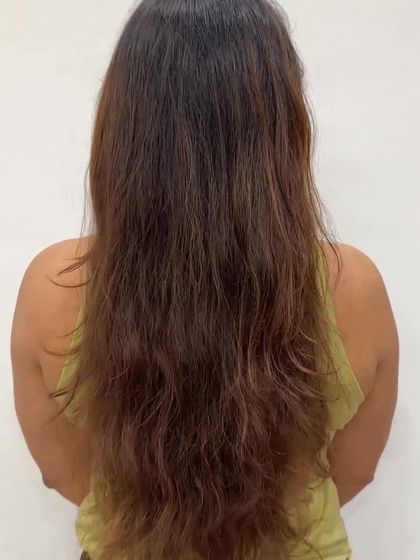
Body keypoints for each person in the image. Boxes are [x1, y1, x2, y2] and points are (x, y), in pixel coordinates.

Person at [11, 1, 399, 559]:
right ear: (283, 124)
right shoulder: (354, 287)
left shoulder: (54, 287)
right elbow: (354, 472)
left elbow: (66, 473)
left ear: (123, 125)